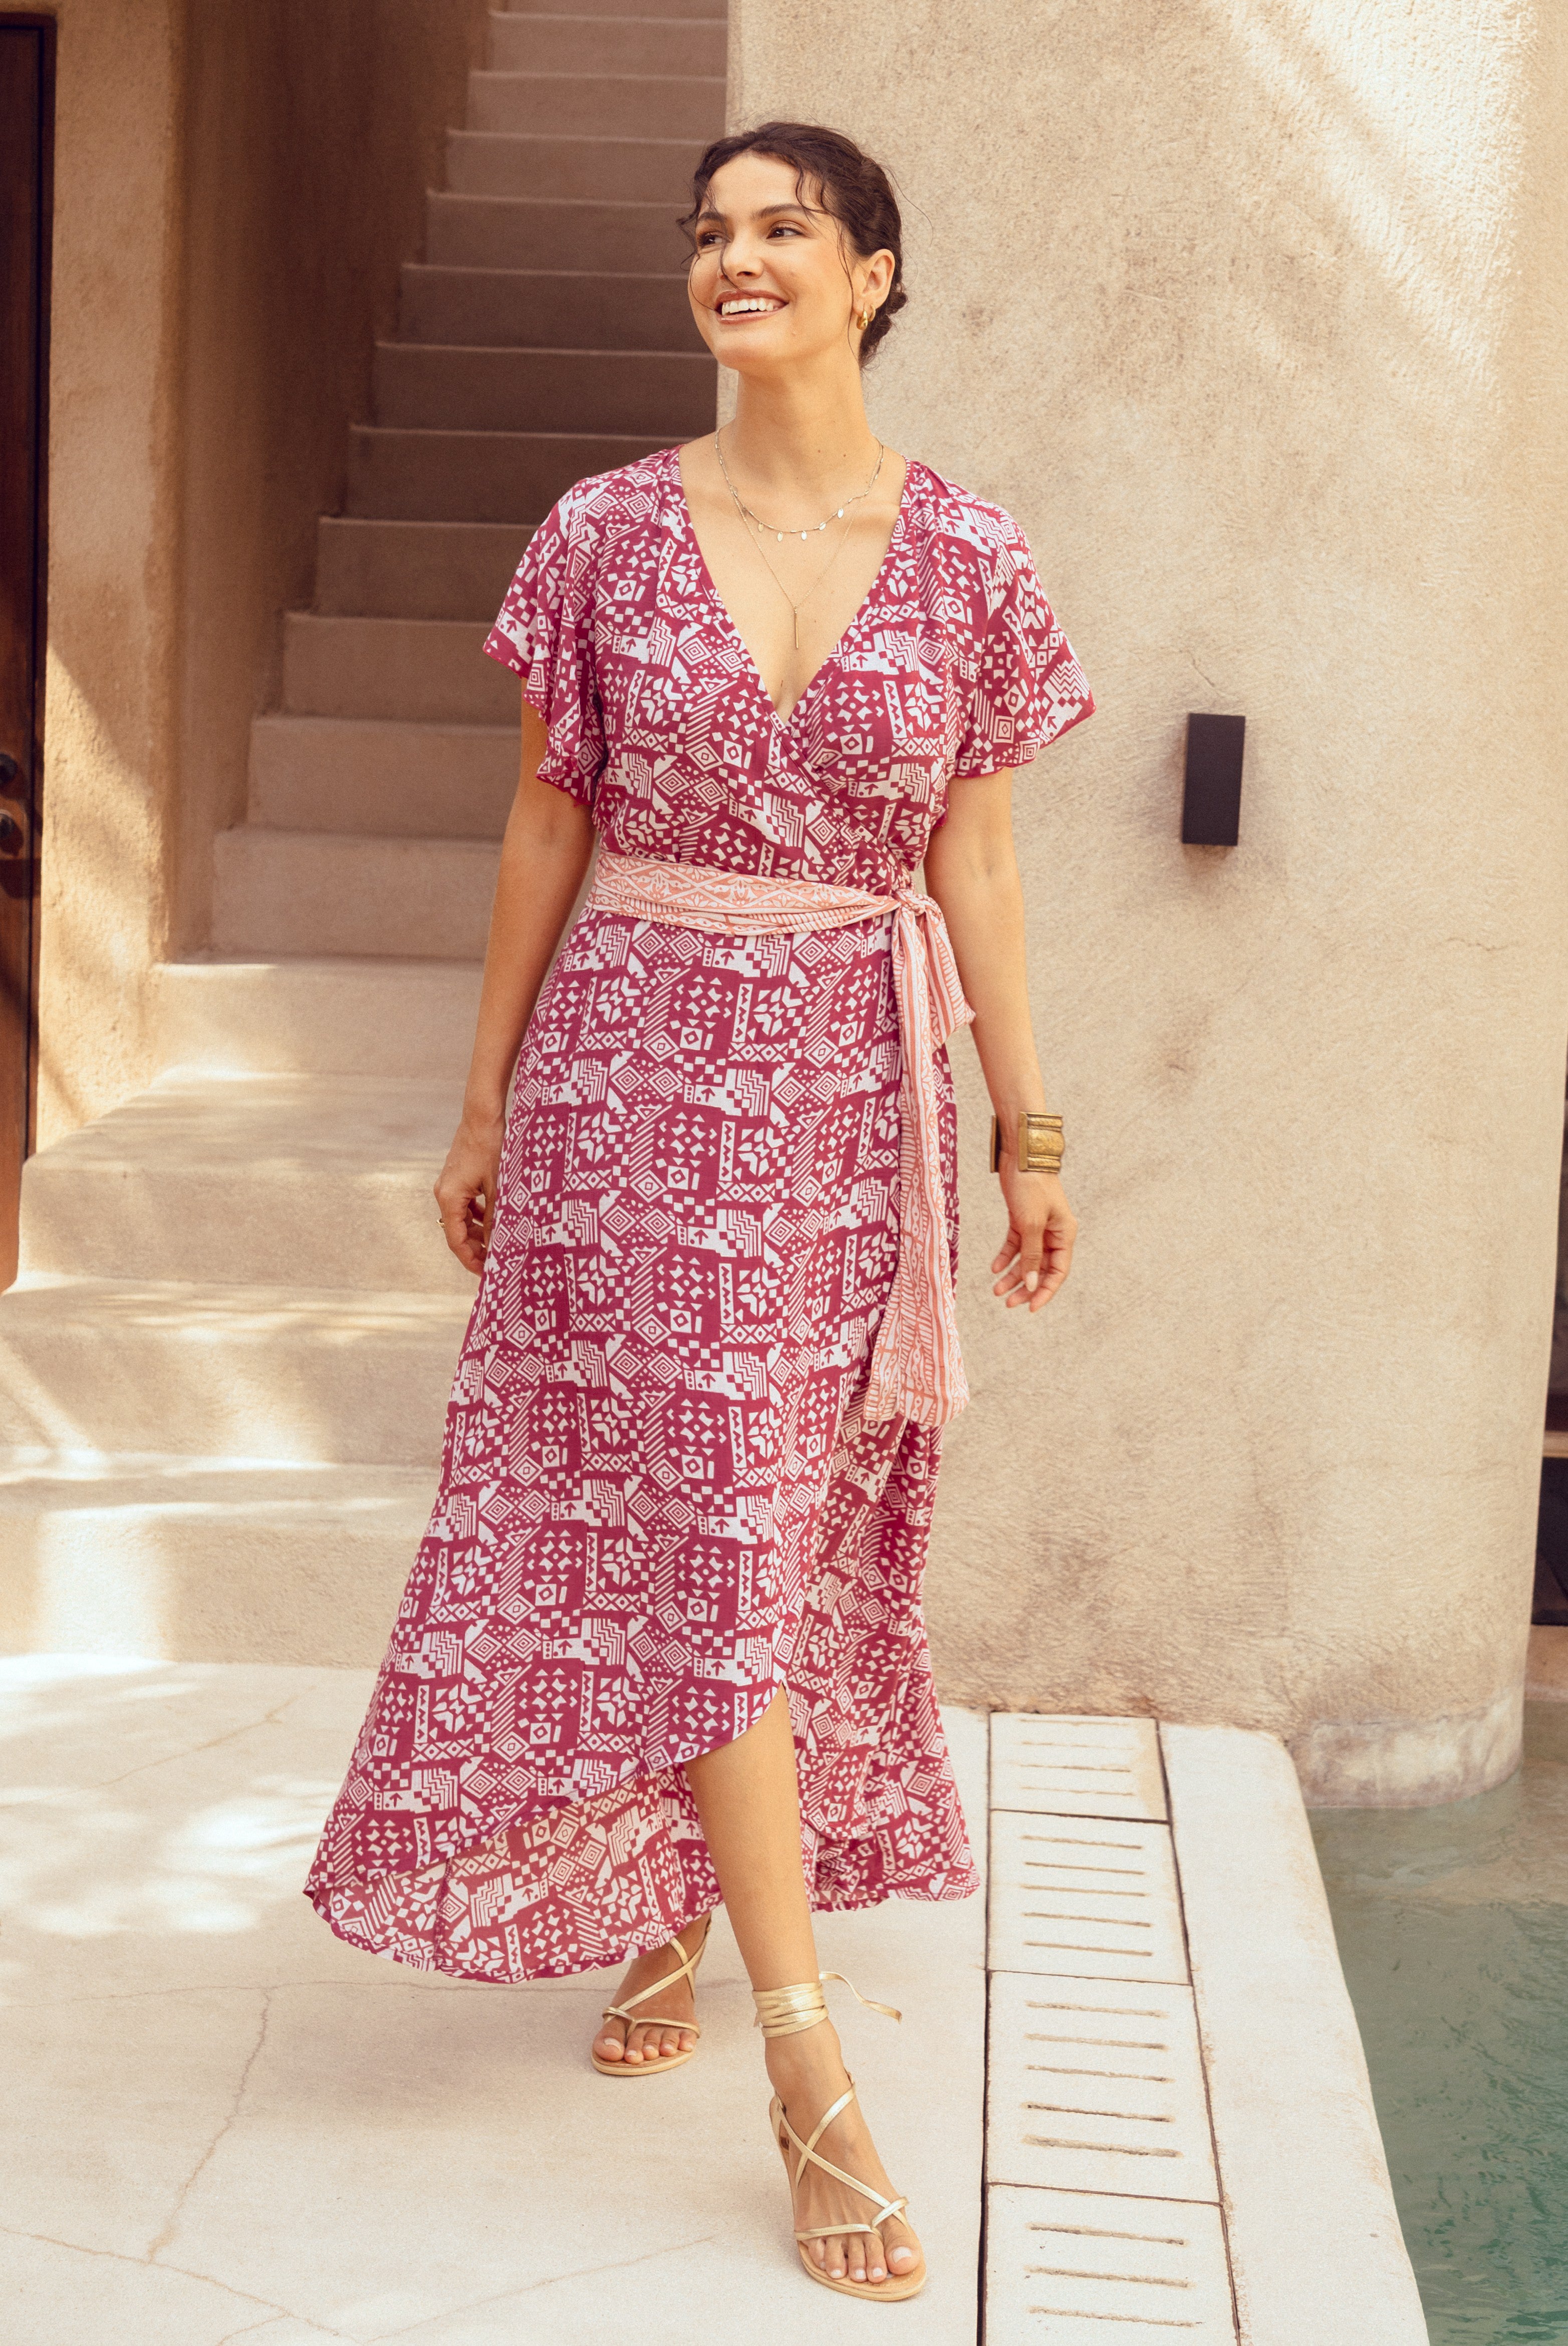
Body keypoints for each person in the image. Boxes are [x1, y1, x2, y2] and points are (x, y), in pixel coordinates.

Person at [306, 119, 1092, 2302]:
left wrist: (1032, 1132)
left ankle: (674, 1899)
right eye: (710, 237)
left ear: (873, 274)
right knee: (701, 1532)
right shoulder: (601, 533)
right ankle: (807, 2063)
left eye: (783, 232)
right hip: (627, 1080)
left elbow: (986, 862)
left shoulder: (973, 559)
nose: (736, 261)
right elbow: (541, 830)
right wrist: (476, 1103)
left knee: (777, 1522)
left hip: (850, 1090)